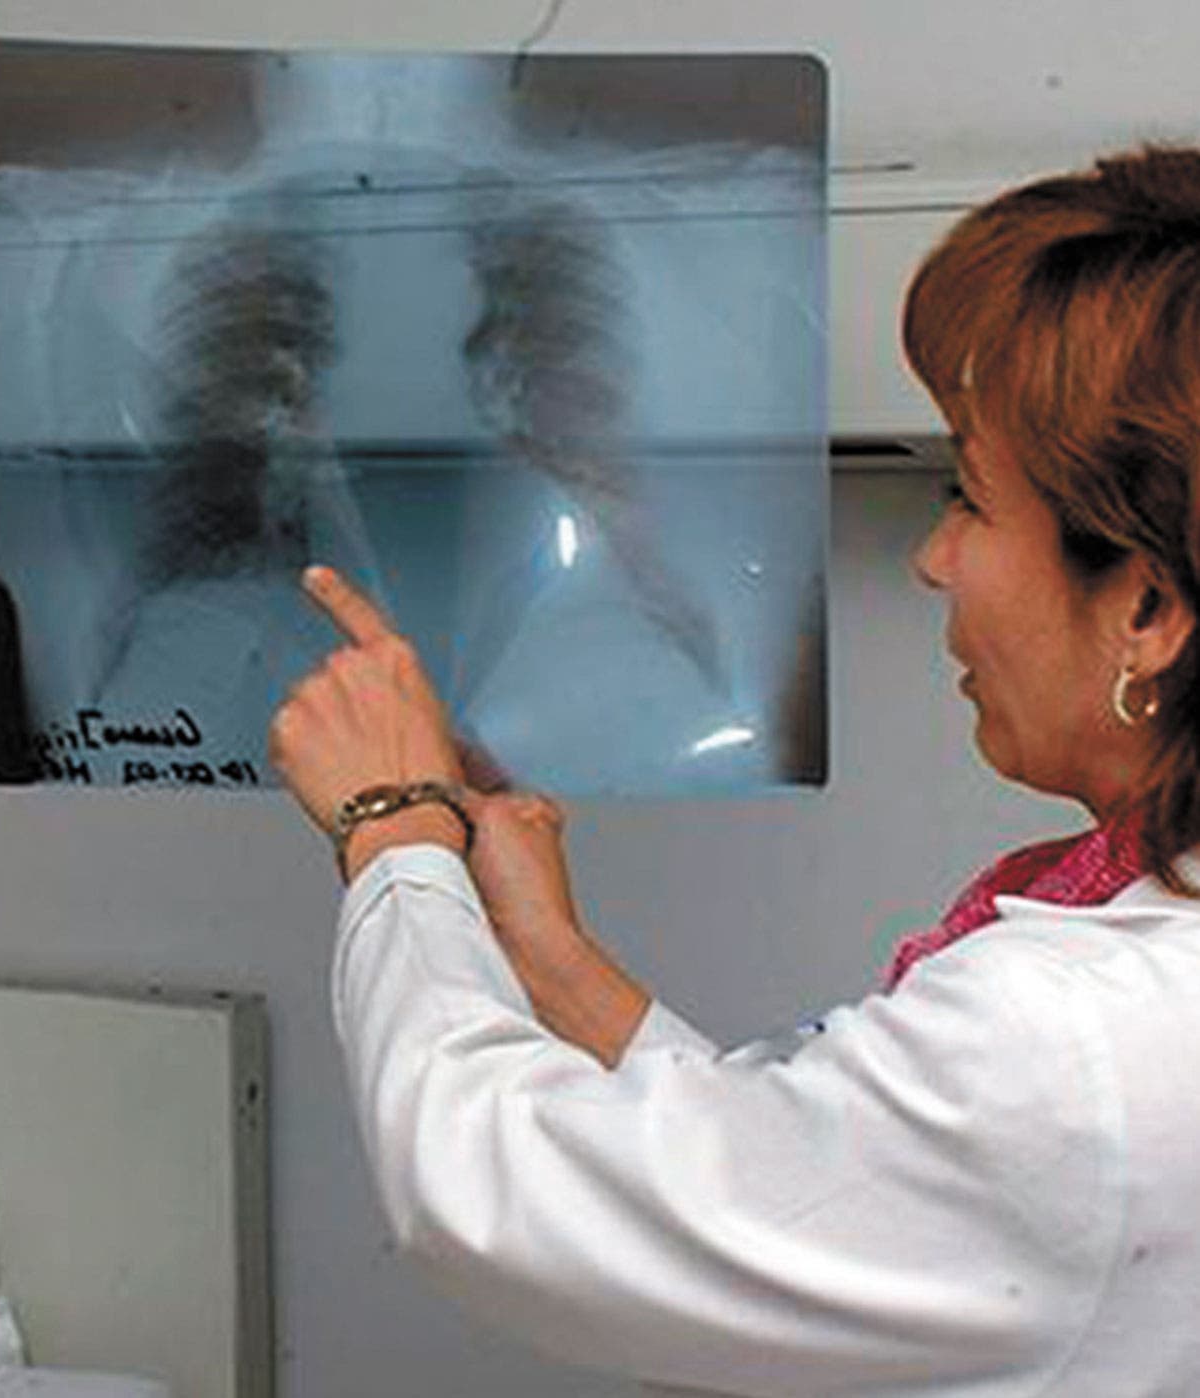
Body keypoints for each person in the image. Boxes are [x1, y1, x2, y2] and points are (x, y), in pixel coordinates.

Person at [270, 144, 1200, 1395]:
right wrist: (551, 956)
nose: (933, 558)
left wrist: (391, 825)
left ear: (1145, 607)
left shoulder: (1070, 1041)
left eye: (970, 499)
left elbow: (500, 1192)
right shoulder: (1124, 984)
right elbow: (822, 1189)